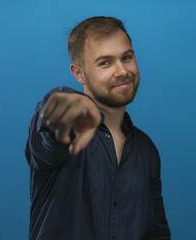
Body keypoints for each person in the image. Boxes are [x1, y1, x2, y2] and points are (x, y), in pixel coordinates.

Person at [25, 16, 171, 240]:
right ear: (79, 74)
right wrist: (66, 102)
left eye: (127, 57)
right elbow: (50, 127)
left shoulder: (146, 150)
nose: (122, 70)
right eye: (105, 62)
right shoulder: (61, 131)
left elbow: (156, 234)